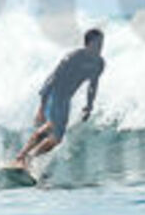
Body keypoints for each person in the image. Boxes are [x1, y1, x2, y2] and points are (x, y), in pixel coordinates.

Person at [14, 28, 105, 169]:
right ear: (88, 44)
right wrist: (41, 108)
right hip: (54, 93)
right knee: (53, 128)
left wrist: (89, 106)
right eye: (97, 44)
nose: (100, 47)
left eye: (101, 44)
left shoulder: (98, 63)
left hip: (66, 99)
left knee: (56, 138)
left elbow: (93, 86)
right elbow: (52, 80)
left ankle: (28, 158)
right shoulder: (73, 58)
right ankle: (22, 157)